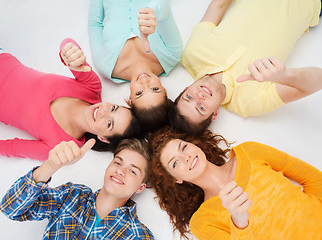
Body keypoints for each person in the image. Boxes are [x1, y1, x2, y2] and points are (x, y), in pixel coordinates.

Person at [170, 0, 322, 134]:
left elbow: (218, 4)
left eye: (189, 97)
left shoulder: (193, 53)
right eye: (201, 108)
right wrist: (285, 76)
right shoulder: (250, 102)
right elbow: (318, 81)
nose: (199, 97)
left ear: (185, 89)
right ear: (214, 114)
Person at [147, 126, 322, 239]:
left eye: (184, 147)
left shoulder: (249, 151)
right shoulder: (202, 221)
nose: (186, 157)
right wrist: (240, 221)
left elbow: (314, 179)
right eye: (175, 163)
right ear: (176, 179)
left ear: (195, 145)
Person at [0, 39, 141, 160]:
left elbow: (12, 148)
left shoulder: (59, 147)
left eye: (109, 123)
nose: (104, 112)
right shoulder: (92, 88)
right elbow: (68, 44)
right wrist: (70, 51)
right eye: (113, 108)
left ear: (104, 138)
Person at [0, 138, 155, 240]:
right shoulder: (72, 196)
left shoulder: (139, 235)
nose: (120, 171)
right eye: (117, 163)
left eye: (132, 171)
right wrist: (50, 166)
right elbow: (10, 209)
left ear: (140, 188)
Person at [88, 0, 182, 130]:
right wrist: (152, 10)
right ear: (165, 91)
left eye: (139, 93)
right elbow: (163, 9)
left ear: (130, 100)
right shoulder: (172, 54)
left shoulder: (105, 65)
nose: (144, 82)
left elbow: (95, 24)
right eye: (155, 89)